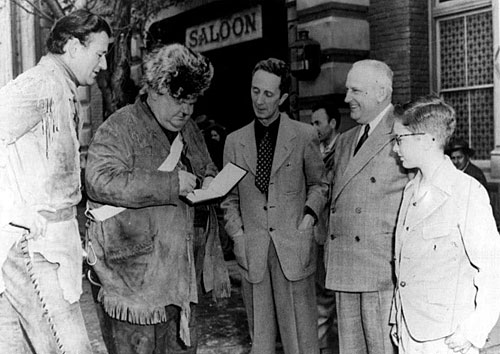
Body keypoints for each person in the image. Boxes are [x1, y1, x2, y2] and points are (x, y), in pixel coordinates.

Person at [84, 43, 225, 354]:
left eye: (192, 101)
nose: (186, 110)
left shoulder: (187, 129)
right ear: (154, 90)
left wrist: (212, 178)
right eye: (179, 100)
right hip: (135, 283)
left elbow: (204, 164)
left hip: (181, 277)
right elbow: (99, 181)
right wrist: (170, 183)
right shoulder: (119, 127)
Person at [0, 9, 111, 354]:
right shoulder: (42, 84)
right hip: (35, 246)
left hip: (54, 245)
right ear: (74, 46)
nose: (104, 65)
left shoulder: (62, 87)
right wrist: (15, 210)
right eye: (100, 53)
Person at [221, 58, 328, 354]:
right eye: (255, 91)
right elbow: (228, 198)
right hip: (253, 251)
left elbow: (320, 184)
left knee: (302, 340)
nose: (259, 100)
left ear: (282, 98)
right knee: (261, 341)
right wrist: (238, 235)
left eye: (268, 94)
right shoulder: (234, 141)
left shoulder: (304, 135)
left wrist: (307, 218)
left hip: (294, 248)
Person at [390, 95, 500, 354]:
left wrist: (473, 331)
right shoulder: (410, 190)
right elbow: (404, 267)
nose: (394, 149)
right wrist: (398, 317)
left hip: (448, 338)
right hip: (410, 331)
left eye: (399, 140)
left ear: (426, 141)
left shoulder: (466, 191)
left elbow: (493, 268)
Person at [324, 59, 409, 354]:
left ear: (381, 93)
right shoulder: (346, 140)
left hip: (380, 272)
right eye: (348, 89)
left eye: (355, 90)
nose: (347, 98)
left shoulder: (404, 132)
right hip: (346, 266)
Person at [310, 102, 341, 353]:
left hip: (335, 235)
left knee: (329, 298)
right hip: (318, 234)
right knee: (320, 296)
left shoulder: (342, 151)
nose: (314, 128)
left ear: (332, 123)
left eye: (318, 122)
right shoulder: (315, 150)